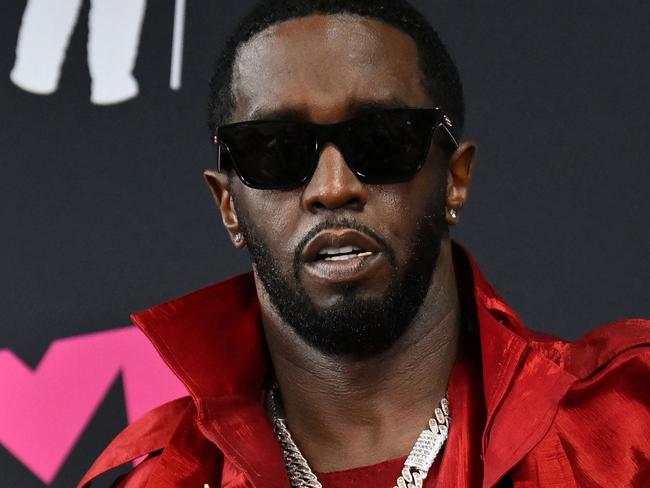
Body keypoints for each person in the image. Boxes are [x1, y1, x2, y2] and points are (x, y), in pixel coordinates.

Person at [79, 0, 650, 486]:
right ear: (229, 205)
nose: (333, 188)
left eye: (381, 140)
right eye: (276, 149)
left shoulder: (629, 426)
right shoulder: (166, 478)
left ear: (454, 178)